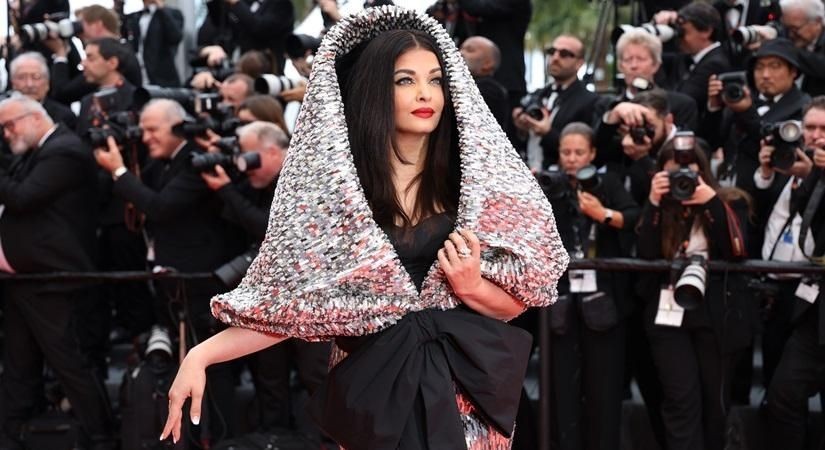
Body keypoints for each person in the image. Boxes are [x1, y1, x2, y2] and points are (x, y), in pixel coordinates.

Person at [160, 6, 568, 448]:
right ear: (375, 89)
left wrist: (471, 288)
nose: (425, 93)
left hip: (465, 393)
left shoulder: (476, 188)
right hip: (374, 392)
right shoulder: (337, 197)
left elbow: (515, 305)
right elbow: (293, 308)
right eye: (405, 80)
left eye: (435, 79)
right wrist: (201, 355)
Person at [0, 94, 114, 450]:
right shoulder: (36, 152)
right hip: (26, 276)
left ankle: (102, 436)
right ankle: (15, 432)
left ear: (35, 117)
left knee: (69, 363)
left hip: (53, 277)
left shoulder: (65, 150)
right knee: (18, 362)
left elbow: (21, 198)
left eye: (9, 124)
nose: (5, 134)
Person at [637, 138, 751, 450]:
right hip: (668, 316)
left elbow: (736, 252)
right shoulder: (661, 207)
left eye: (688, 172)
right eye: (672, 174)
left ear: (703, 171)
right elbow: (645, 255)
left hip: (716, 317)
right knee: (680, 400)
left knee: (715, 403)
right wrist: (654, 203)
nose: (681, 182)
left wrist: (710, 201)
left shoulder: (728, 201)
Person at [543, 123, 639, 450]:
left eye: (578, 152)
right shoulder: (548, 186)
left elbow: (634, 217)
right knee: (561, 389)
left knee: (604, 388)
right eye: (565, 153)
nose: (571, 159)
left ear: (593, 154)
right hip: (561, 300)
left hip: (604, 300)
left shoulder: (608, 183)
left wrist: (602, 214)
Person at [765, 95, 825, 450]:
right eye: (811, 129)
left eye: (824, 129)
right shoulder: (809, 171)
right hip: (811, 310)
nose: (816, 137)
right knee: (783, 396)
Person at [512, 35, 598, 170]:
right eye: (552, 52)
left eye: (564, 54)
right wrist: (521, 128)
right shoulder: (537, 94)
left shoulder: (590, 101)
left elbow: (585, 149)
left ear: (580, 63)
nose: (555, 58)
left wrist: (547, 133)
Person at [123, 0, 184, 87]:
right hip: (138, 75)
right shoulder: (135, 16)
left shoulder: (172, 13)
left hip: (162, 77)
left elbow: (175, 37)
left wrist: (162, 9)